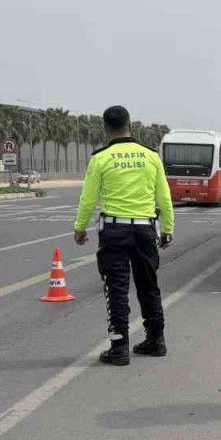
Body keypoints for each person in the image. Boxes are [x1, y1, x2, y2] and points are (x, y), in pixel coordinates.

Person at [74, 105, 175, 366]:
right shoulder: (151, 156)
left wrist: (80, 227)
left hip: (114, 231)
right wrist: (167, 229)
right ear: (130, 125)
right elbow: (164, 196)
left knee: (116, 288)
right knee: (148, 286)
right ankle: (156, 340)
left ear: (106, 128)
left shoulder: (101, 158)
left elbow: (88, 198)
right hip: (145, 229)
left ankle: (119, 347)